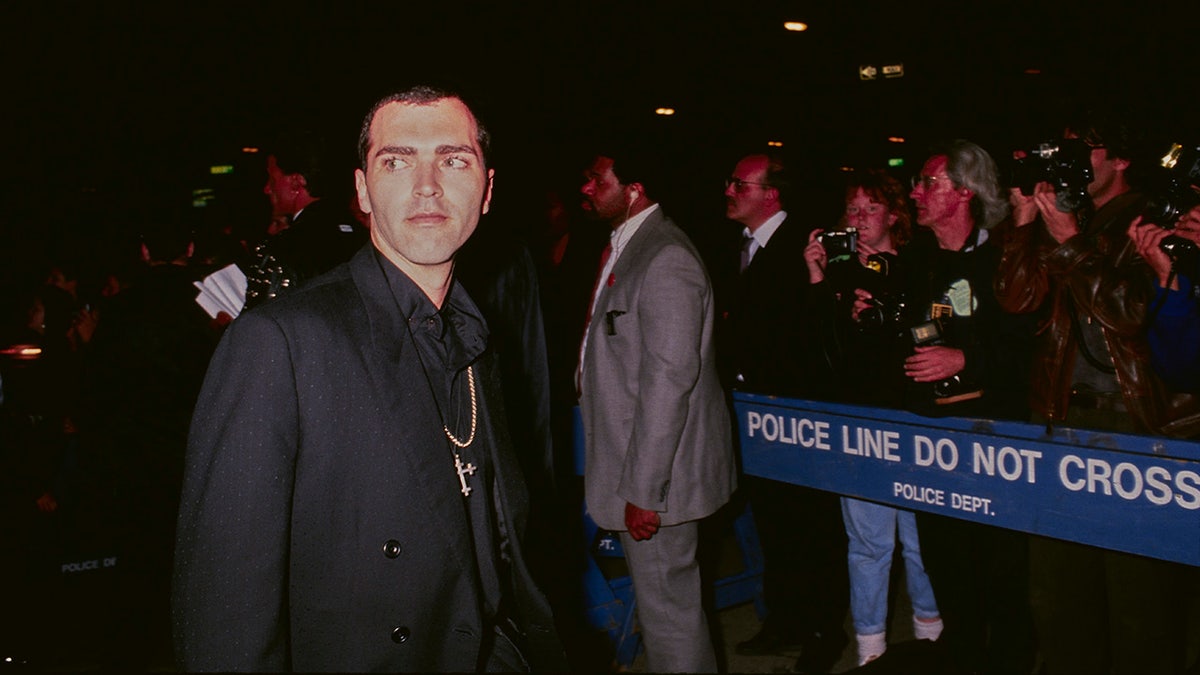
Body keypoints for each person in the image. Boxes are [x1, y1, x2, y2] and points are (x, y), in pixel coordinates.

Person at [173, 86, 564, 672]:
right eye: (397, 160)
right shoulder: (279, 342)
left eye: (454, 160)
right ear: (361, 190)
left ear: (486, 191)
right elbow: (223, 610)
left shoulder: (476, 338)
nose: (428, 184)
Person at [996, 108, 1194, 674]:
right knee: (1059, 595)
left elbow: (1134, 315)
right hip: (1060, 418)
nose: (1069, 165)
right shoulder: (1067, 213)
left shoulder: (1159, 219)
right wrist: (1024, 224)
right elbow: (1017, 300)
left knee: (1139, 600)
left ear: (1121, 159)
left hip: (1130, 422)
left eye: (1084, 152)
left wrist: (1074, 244)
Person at [858, 140, 1035, 674]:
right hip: (931, 440)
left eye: (928, 183)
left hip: (994, 444)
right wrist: (867, 310)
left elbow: (1031, 342)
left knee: (1002, 572)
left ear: (964, 192)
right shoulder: (913, 262)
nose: (915, 192)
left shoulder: (1006, 256)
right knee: (946, 566)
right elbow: (889, 352)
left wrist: (966, 358)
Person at [576, 146, 736, 673]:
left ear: (634, 189)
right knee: (663, 608)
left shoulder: (665, 258)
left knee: (670, 614)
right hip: (635, 464)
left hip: (656, 476)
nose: (587, 188)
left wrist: (644, 490)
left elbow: (670, 380)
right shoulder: (629, 247)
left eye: (597, 180)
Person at [803, 169, 942, 667]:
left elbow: (937, 332)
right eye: (853, 210)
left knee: (921, 542)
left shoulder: (921, 264)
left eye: (871, 208)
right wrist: (822, 279)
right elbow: (824, 355)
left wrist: (892, 298)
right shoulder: (842, 272)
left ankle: (931, 643)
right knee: (867, 544)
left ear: (894, 214)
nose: (860, 219)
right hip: (859, 422)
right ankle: (870, 651)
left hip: (914, 419)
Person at [719, 151, 850, 674]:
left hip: (800, 413)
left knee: (813, 525)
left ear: (770, 194)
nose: (728, 191)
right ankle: (786, 618)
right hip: (756, 413)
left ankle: (824, 628)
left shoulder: (805, 244)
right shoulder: (739, 249)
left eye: (738, 184)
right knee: (773, 520)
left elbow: (817, 330)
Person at [243, 129, 367, 309]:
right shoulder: (366, 238)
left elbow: (260, 329)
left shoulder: (281, 250)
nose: (267, 189)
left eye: (272, 180)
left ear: (296, 183)